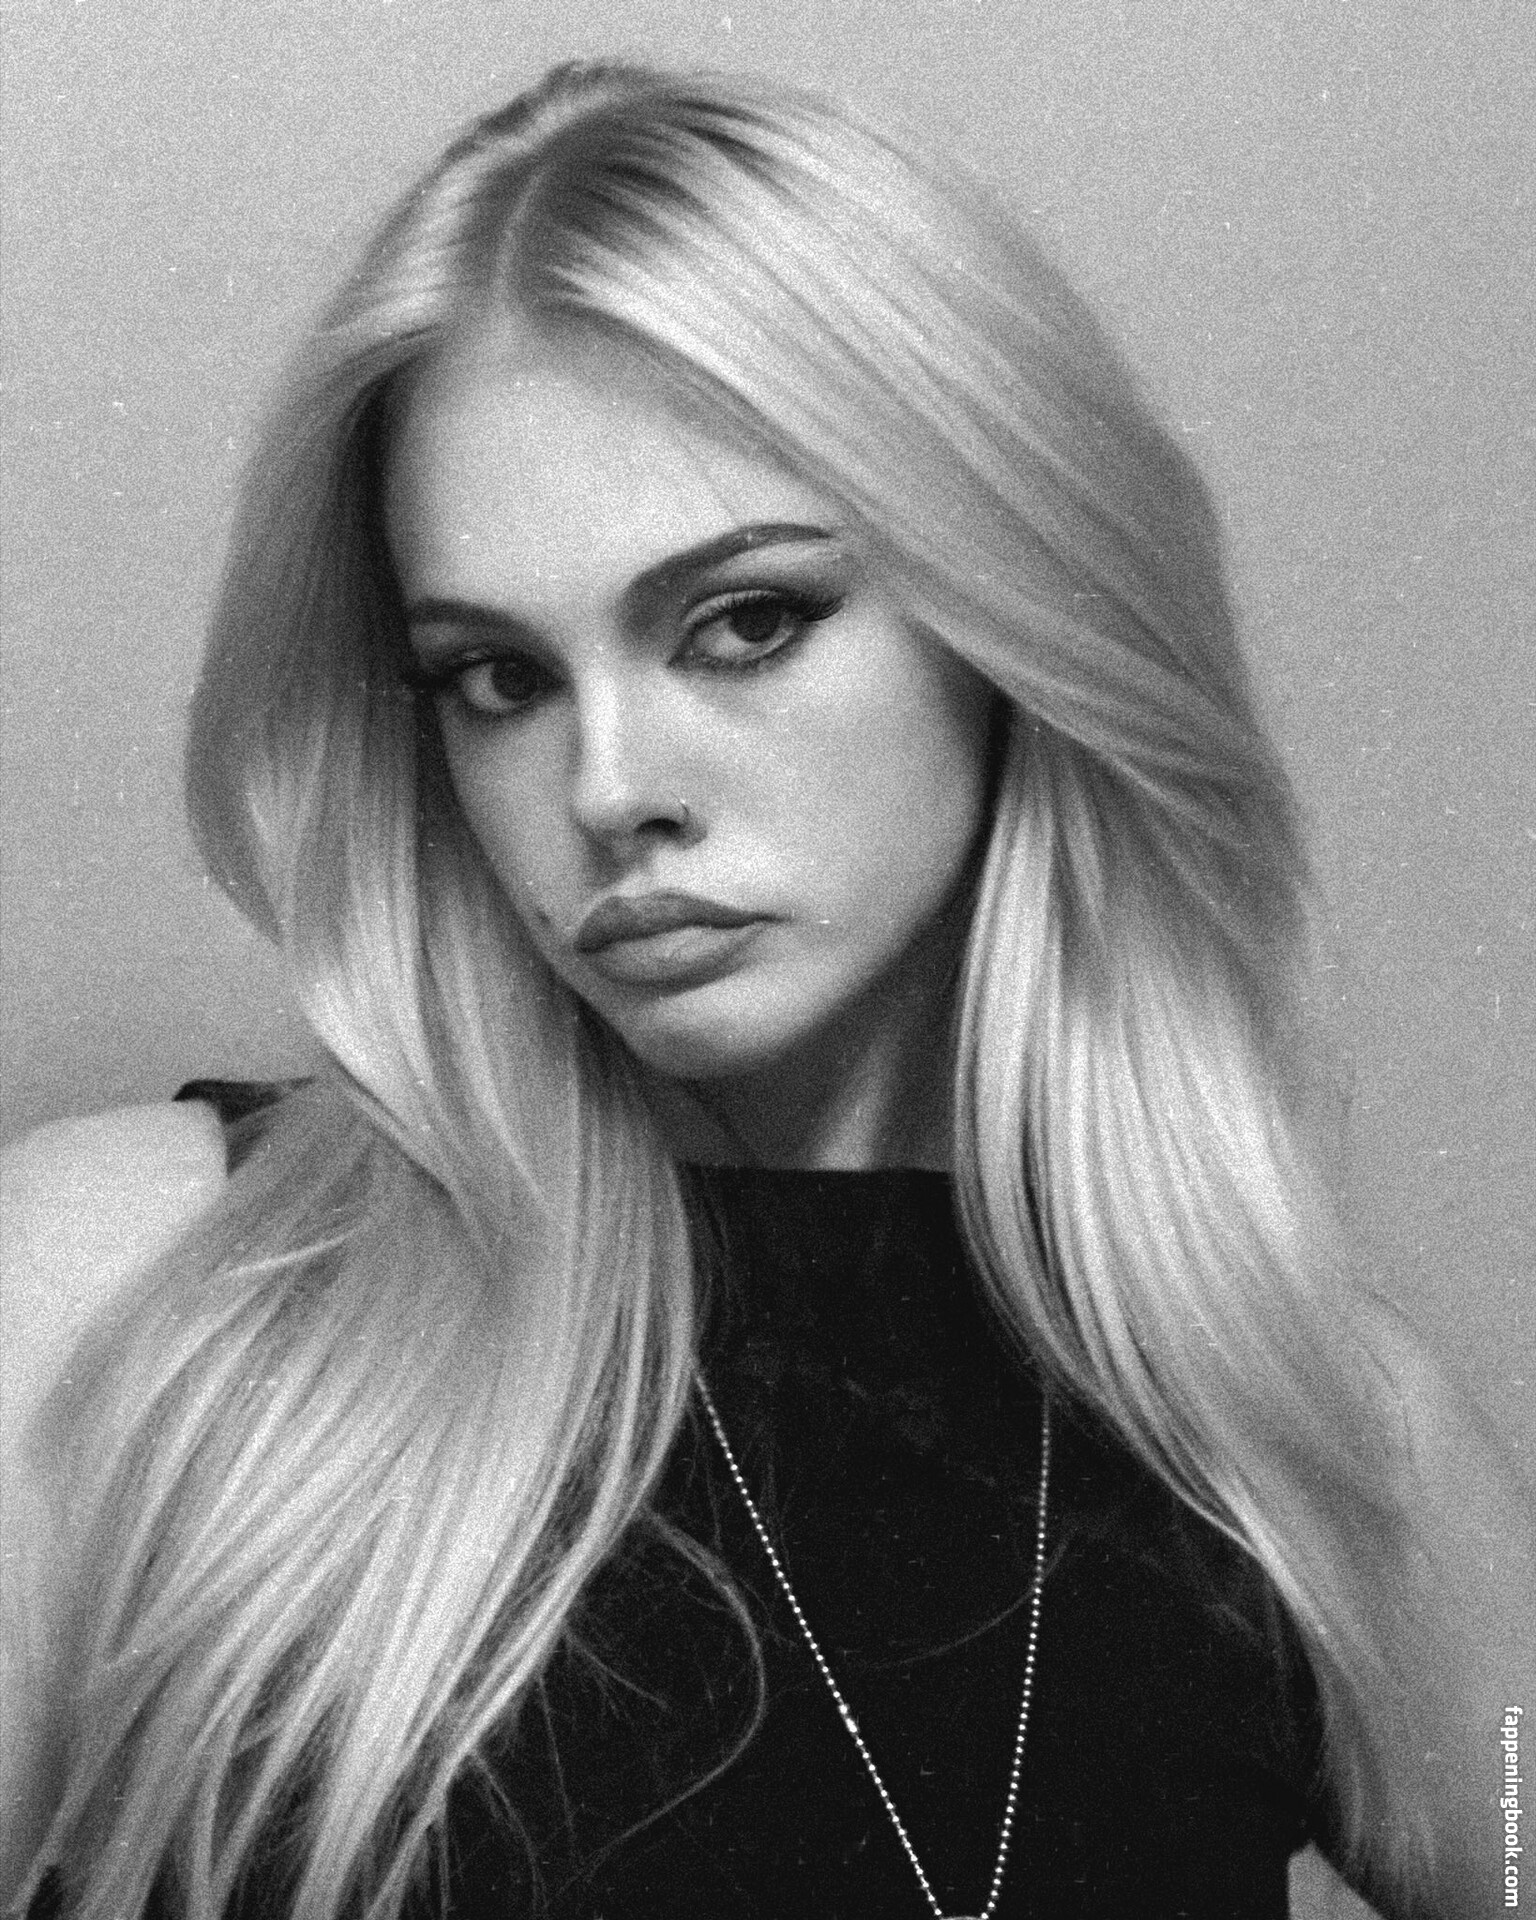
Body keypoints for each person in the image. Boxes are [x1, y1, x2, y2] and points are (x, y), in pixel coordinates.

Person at [1, 58, 1529, 1920]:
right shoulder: (140, 1298)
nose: (608, 787)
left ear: (1013, 612)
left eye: (744, 622)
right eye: (498, 677)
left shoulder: (1316, 1438)